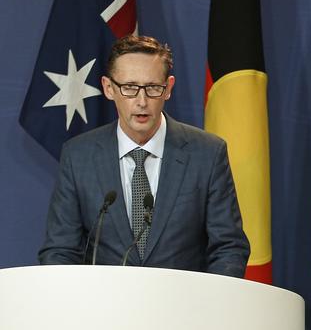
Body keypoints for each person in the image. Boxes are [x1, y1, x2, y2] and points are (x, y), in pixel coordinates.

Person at [39, 35, 250, 277]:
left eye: (152, 88)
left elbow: (229, 248)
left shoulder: (207, 153)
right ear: (109, 88)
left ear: (168, 88)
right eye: (129, 87)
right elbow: (60, 251)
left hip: (185, 307)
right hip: (104, 309)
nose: (142, 101)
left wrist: (211, 306)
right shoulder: (78, 156)